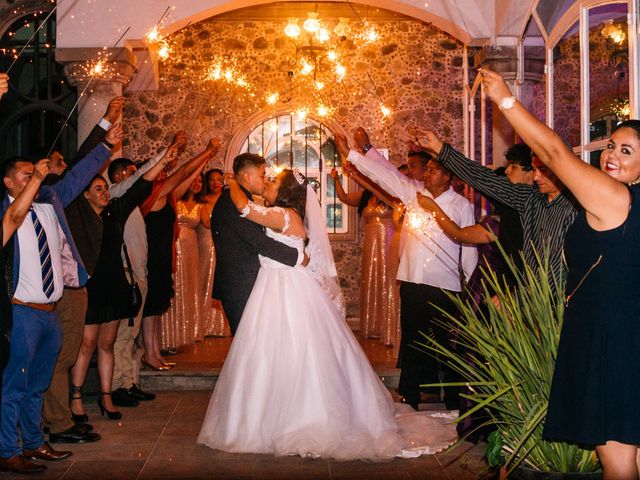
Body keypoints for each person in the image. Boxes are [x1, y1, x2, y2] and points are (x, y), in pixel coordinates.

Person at [198, 169, 457, 459]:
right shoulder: (284, 214)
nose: (267, 184)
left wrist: (233, 183)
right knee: (278, 353)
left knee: (291, 352)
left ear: (285, 192)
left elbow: (244, 208)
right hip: (277, 286)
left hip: (283, 290)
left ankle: (295, 418)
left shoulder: (284, 215)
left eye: (273, 182)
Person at [482, 67, 640, 480]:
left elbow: (553, 154)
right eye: (611, 145)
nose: (611, 155)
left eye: (627, 151)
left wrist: (505, 100)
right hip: (620, 331)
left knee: (618, 460)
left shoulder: (618, 199)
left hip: (611, 340)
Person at [0, 128, 119, 474]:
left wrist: (107, 142)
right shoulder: (6, 212)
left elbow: (80, 173)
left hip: (52, 311)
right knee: (15, 384)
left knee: (39, 383)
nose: (36, 176)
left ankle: (35, 443)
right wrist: (36, 178)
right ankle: (8, 449)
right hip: (22, 312)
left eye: (36, 173)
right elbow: (14, 219)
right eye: (26, 174)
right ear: (8, 182)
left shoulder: (50, 199)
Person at [336, 129, 478, 411]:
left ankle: (453, 400)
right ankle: (410, 395)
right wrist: (353, 152)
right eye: (427, 169)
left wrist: (470, 286)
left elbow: (469, 246)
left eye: (434, 171)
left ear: (449, 177)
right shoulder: (413, 194)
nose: (427, 174)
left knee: (447, 344)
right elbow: (385, 174)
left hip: (445, 284)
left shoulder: (461, 205)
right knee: (412, 339)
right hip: (413, 280)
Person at [43, 96, 126, 444]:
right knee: (59, 357)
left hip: (74, 284)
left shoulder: (62, 199)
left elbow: (80, 167)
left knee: (65, 354)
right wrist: (105, 129)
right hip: (54, 289)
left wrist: (107, 126)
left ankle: (57, 419)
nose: (64, 166)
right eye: (56, 162)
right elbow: (81, 165)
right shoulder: (56, 195)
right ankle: (57, 421)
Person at [69, 149, 174, 422]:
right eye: (98, 189)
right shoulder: (77, 217)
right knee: (87, 344)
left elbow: (140, 185)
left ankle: (106, 397)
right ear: (85, 194)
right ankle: (76, 397)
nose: (104, 192)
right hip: (91, 287)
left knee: (107, 343)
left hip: (115, 285)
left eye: (105, 188)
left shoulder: (114, 213)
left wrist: (161, 159)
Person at [411, 126, 578, 283]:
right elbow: (482, 178)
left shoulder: (579, 207)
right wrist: (439, 148)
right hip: (527, 304)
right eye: (535, 169)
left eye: (544, 169)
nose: (537, 177)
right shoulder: (528, 198)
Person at [141, 136, 218, 369]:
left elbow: (188, 177)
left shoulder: (166, 196)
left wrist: (204, 162)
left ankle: (154, 352)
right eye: (162, 172)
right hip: (152, 257)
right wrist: (207, 151)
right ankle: (150, 353)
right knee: (151, 308)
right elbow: (183, 171)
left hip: (164, 257)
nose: (166, 174)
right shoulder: (153, 194)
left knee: (156, 308)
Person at [210, 153, 306, 335]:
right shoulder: (233, 201)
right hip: (241, 283)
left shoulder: (241, 199)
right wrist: (298, 256)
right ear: (247, 176)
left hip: (252, 282)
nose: (265, 180)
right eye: (262, 175)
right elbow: (259, 242)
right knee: (247, 339)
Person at [107, 151, 175, 407]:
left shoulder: (131, 204)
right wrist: (163, 156)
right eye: (132, 172)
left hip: (138, 273)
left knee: (131, 332)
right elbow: (140, 178)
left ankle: (128, 382)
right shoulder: (115, 195)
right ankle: (117, 386)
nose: (140, 178)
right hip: (127, 274)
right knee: (123, 335)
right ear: (121, 175)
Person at [330, 164, 400, 349]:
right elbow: (344, 197)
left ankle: (388, 328)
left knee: (387, 281)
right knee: (372, 280)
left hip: (388, 240)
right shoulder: (366, 196)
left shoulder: (393, 196)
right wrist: (336, 179)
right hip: (371, 243)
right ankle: (372, 326)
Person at [160, 173, 209, 350]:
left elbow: (209, 224)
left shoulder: (200, 205)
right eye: (194, 180)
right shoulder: (176, 200)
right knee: (176, 287)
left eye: (199, 182)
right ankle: (168, 337)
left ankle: (185, 334)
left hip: (191, 248)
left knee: (188, 286)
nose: (196, 184)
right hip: (175, 244)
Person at [197, 169, 229, 337]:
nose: (215, 182)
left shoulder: (229, 199)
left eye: (219, 179)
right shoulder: (202, 201)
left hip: (224, 244)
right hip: (207, 243)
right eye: (211, 180)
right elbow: (208, 224)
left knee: (224, 281)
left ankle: (221, 326)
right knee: (206, 279)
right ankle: (204, 324)